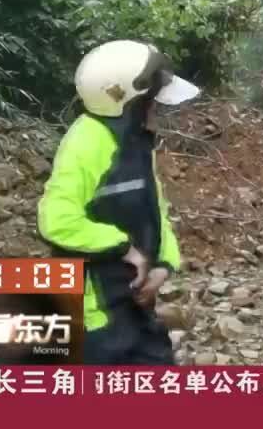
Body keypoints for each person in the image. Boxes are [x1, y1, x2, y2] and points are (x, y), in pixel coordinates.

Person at [37, 40, 200, 364]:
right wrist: (124, 247)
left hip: (135, 305)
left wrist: (163, 266)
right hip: (93, 316)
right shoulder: (86, 142)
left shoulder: (136, 144)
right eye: (151, 102)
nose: (157, 111)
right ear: (126, 102)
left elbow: (157, 210)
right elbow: (55, 219)